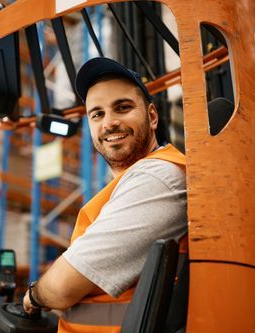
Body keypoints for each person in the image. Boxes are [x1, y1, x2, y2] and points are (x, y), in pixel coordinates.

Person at [23, 57, 187, 332]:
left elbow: (62, 288)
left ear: (153, 116)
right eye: (97, 114)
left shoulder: (158, 177)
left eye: (122, 108)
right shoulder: (128, 184)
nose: (109, 123)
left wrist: (33, 296)